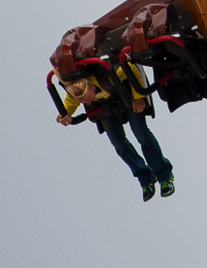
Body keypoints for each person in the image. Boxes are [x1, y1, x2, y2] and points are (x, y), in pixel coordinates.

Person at [58, 70, 174, 201]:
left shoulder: (109, 76)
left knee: (141, 134)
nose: (86, 103)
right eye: (81, 101)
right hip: (105, 107)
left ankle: (165, 177)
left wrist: (138, 97)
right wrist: (64, 115)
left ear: (91, 87)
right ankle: (146, 179)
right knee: (119, 144)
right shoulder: (77, 92)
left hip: (128, 98)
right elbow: (69, 105)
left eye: (85, 99)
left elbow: (132, 69)